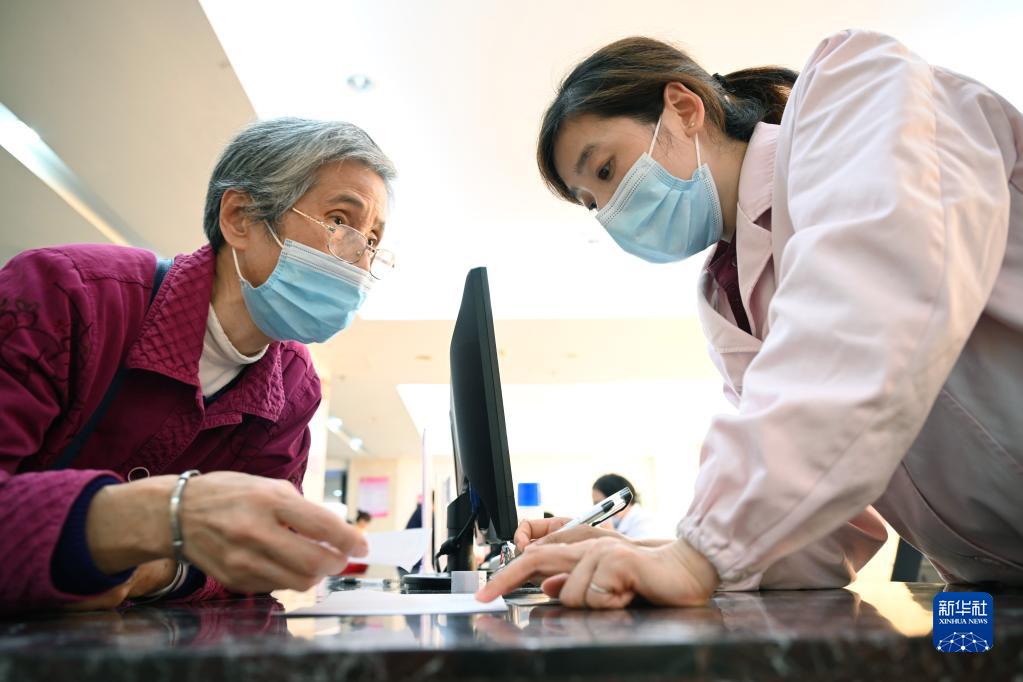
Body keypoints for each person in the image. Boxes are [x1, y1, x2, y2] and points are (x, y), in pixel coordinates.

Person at [480, 29, 1023, 609]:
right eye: (592, 204)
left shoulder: (855, 88)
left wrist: (700, 554)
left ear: (684, 107)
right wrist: (646, 554)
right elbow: (827, 529)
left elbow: (870, 316)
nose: (611, 212)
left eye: (607, 171)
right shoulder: (725, 296)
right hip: (988, 591)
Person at [0, 117, 397, 612]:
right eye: (339, 222)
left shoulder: (295, 386)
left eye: (372, 241)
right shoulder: (66, 295)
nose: (361, 263)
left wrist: (158, 571)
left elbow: (257, 565)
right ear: (240, 217)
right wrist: (162, 518)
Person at [591, 474, 660, 540]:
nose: (600, 511)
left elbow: (637, 547)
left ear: (621, 499)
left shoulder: (644, 522)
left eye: (602, 504)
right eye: (596, 505)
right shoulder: (617, 523)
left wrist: (610, 535)